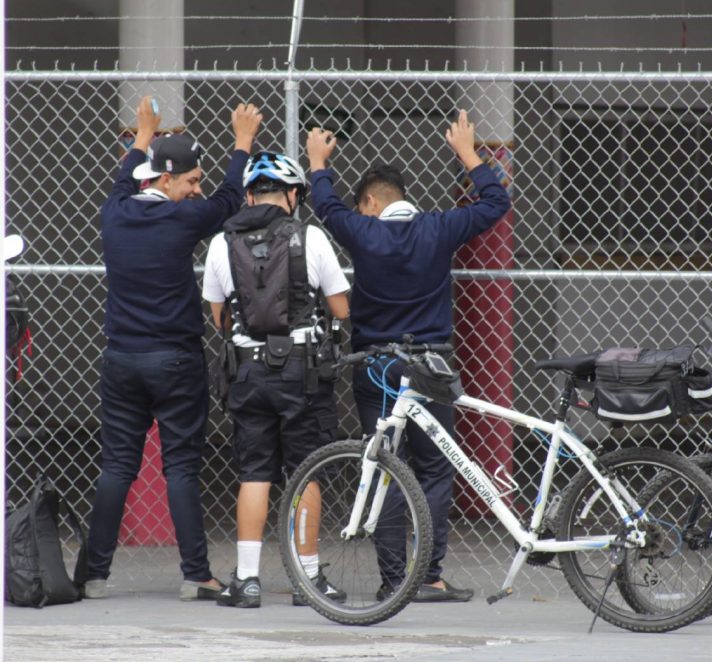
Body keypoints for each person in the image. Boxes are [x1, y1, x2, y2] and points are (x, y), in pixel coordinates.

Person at [305, 109, 512, 602]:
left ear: (371, 202)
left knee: (384, 464)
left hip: (376, 367)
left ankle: (395, 580)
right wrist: (468, 154)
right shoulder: (439, 228)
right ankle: (430, 576)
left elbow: (326, 206)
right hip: (431, 364)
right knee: (435, 468)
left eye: (362, 205)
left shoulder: (362, 230)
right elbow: (496, 200)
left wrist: (318, 163)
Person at [86, 96, 262, 601]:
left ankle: (93, 575)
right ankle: (196, 576)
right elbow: (230, 198)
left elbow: (124, 177)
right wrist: (243, 142)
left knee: (117, 465)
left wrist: (143, 133)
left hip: (121, 359)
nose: (197, 190)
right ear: (166, 181)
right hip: (176, 360)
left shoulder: (114, 213)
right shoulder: (182, 221)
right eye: (191, 182)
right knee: (181, 466)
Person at [202, 150, 350, 608]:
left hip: (247, 370)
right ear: (292, 195)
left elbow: (219, 315)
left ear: (247, 194)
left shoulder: (220, 243)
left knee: (254, 472)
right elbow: (342, 309)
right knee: (307, 472)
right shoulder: (311, 237)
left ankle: (247, 580)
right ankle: (307, 580)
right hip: (302, 372)